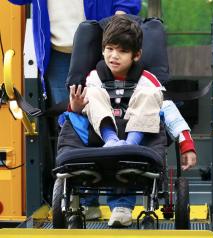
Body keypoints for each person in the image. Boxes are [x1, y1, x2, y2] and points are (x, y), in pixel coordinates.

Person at [68, 14, 197, 227]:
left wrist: (187, 145)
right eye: (109, 49)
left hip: (136, 140)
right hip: (101, 137)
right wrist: (76, 106)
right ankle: (110, 147)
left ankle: (123, 190)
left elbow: (169, 112)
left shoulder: (148, 81)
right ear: (102, 50)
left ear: (136, 56)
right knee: (90, 94)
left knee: (152, 96)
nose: (114, 56)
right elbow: (81, 110)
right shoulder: (95, 77)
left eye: (122, 51)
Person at [8, 0, 142, 106]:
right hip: (58, 54)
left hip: (103, 49)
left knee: (111, 109)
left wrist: (118, 23)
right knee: (68, 117)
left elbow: (127, 4)